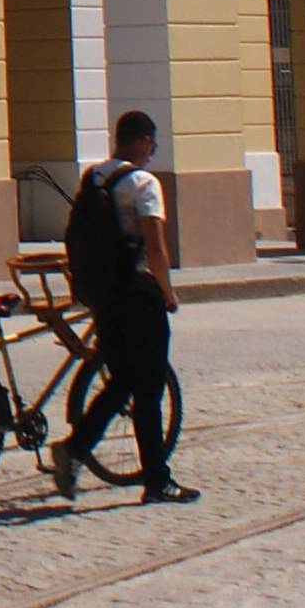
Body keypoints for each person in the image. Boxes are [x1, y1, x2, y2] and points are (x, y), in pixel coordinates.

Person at [51, 110, 198, 506]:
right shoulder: (143, 182)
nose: (152, 151)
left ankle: (75, 449)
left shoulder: (95, 176)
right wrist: (168, 292)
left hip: (105, 296)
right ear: (144, 141)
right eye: (152, 144)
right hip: (138, 295)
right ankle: (156, 480)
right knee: (148, 389)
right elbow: (154, 246)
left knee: (121, 382)